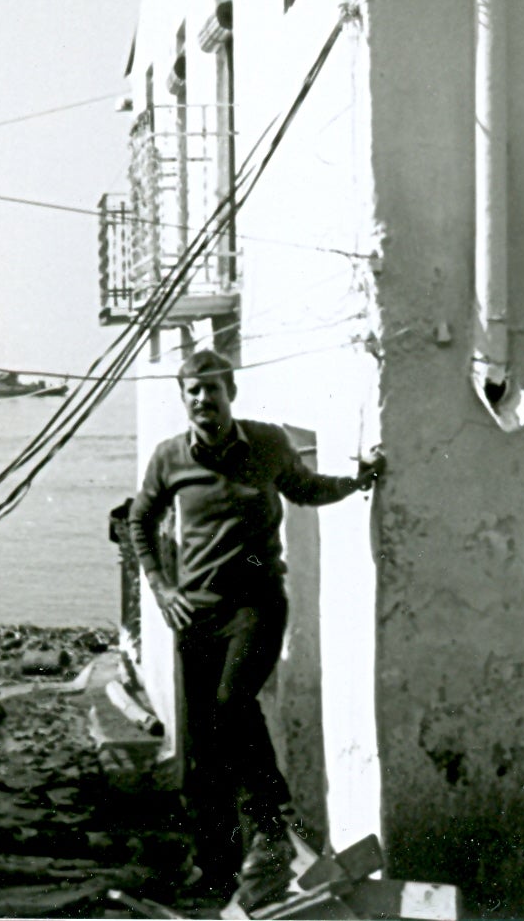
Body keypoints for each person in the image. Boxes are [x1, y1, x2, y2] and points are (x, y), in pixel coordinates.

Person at [125, 349, 385, 909]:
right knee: (202, 754)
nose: (202, 400)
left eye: (212, 390)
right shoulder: (169, 458)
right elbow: (140, 521)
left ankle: (272, 820)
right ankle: (216, 869)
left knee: (231, 701)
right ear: (184, 399)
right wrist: (164, 589)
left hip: (258, 606)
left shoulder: (267, 443)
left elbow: (304, 488)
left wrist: (356, 481)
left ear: (231, 394)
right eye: (192, 391)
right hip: (195, 614)